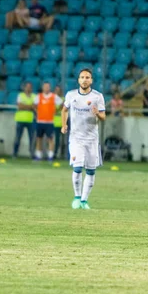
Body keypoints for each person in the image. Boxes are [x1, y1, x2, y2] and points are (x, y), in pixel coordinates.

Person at [61, 69, 106, 210]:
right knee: (78, 167)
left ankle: (84, 201)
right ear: (78, 80)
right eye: (82, 77)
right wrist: (63, 125)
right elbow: (64, 110)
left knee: (91, 171)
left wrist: (97, 113)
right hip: (76, 139)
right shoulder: (71, 95)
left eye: (87, 77)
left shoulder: (98, 96)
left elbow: (103, 117)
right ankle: (76, 197)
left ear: (91, 80)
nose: (84, 79)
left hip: (92, 140)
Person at [34, 82, 63, 161]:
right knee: (39, 138)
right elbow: (34, 105)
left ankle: (50, 155)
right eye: (45, 87)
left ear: (50, 88)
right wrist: (38, 112)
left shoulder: (54, 96)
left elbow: (62, 104)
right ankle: (38, 155)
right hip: (40, 121)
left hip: (49, 121)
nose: (46, 88)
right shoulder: (38, 96)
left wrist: (56, 110)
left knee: (50, 139)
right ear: (43, 88)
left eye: (48, 87)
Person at [13, 82, 36, 159]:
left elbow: (35, 106)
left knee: (32, 138)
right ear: (25, 88)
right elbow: (19, 106)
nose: (29, 88)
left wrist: (25, 105)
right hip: (20, 119)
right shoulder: (20, 95)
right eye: (27, 87)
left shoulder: (34, 96)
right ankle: (15, 153)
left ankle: (32, 154)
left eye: (30, 87)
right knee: (17, 138)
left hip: (30, 120)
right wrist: (30, 106)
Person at [53, 85, 65, 159]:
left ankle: (62, 154)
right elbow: (53, 110)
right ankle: (54, 154)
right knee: (55, 140)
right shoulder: (52, 99)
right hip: (54, 123)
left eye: (59, 90)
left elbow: (64, 109)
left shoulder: (64, 99)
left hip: (63, 123)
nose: (58, 92)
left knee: (63, 141)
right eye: (56, 90)